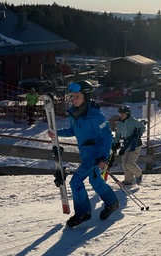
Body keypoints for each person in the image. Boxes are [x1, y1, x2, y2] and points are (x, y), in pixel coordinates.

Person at [48, 80, 119, 227]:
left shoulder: (95, 116)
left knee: (75, 181)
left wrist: (104, 157)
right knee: (95, 180)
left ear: (86, 96)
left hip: (95, 155)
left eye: (77, 96)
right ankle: (112, 202)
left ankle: (83, 212)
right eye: (72, 97)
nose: (73, 99)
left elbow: (107, 136)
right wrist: (57, 133)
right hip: (86, 154)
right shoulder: (76, 114)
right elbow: (73, 131)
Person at [112, 105, 146, 185]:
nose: (121, 115)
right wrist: (114, 143)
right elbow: (117, 135)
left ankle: (139, 174)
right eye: (120, 114)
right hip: (126, 144)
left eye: (123, 114)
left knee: (129, 163)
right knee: (124, 164)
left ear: (127, 114)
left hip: (135, 144)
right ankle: (128, 180)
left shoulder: (133, 121)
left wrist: (138, 134)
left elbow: (142, 127)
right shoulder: (119, 124)